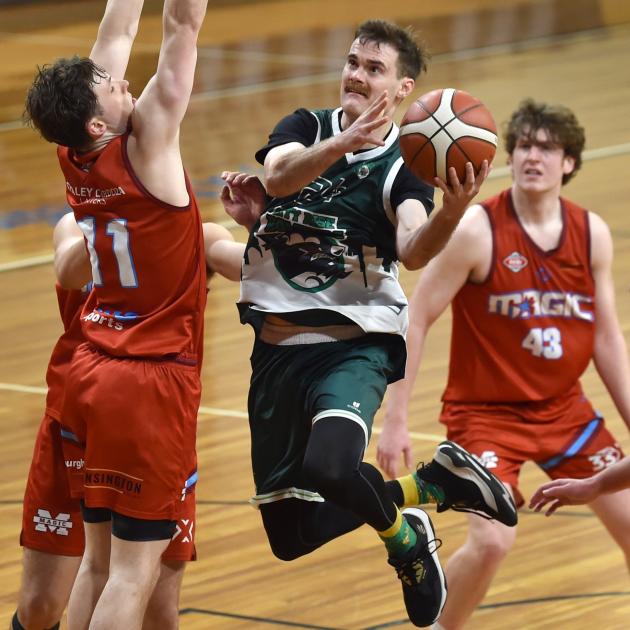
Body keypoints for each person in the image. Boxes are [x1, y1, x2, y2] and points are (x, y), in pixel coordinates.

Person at [224, 19, 517, 628]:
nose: (357, 74)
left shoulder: (403, 171)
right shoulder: (305, 127)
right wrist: (339, 142)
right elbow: (278, 178)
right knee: (290, 536)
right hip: (276, 350)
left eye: (374, 68)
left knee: (330, 466)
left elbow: (413, 249)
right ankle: (427, 490)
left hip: (353, 347)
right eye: (354, 61)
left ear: (403, 88)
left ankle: (406, 545)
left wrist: (455, 209)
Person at [379, 98, 630, 629]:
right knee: (493, 540)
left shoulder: (592, 234)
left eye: (547, 146)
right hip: (485, 416)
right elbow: (416, 317)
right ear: (508, 156)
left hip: (567, 414)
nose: (533, 156)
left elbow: (606, 336)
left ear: (569, 162)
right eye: (523, 146)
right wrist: (395, 417)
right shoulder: (476, 229)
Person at [24, 0, 210, 626]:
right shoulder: (150, 141)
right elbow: (181, 24)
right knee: (133, 576)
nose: (120, 79)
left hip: (96, 368)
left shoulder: (77, 152)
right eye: (109, 85)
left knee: (98, 566)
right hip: (152, 378)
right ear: (99, 122)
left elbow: (120, 27)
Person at [12, 212, 242, 630]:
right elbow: (67, 270)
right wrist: (112, 217)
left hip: (153, 419)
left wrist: (268, 223)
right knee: (42, 604)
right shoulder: (74, 225)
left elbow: (247, 265)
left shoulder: (198, 232)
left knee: (156, 608)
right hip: (73, 418)